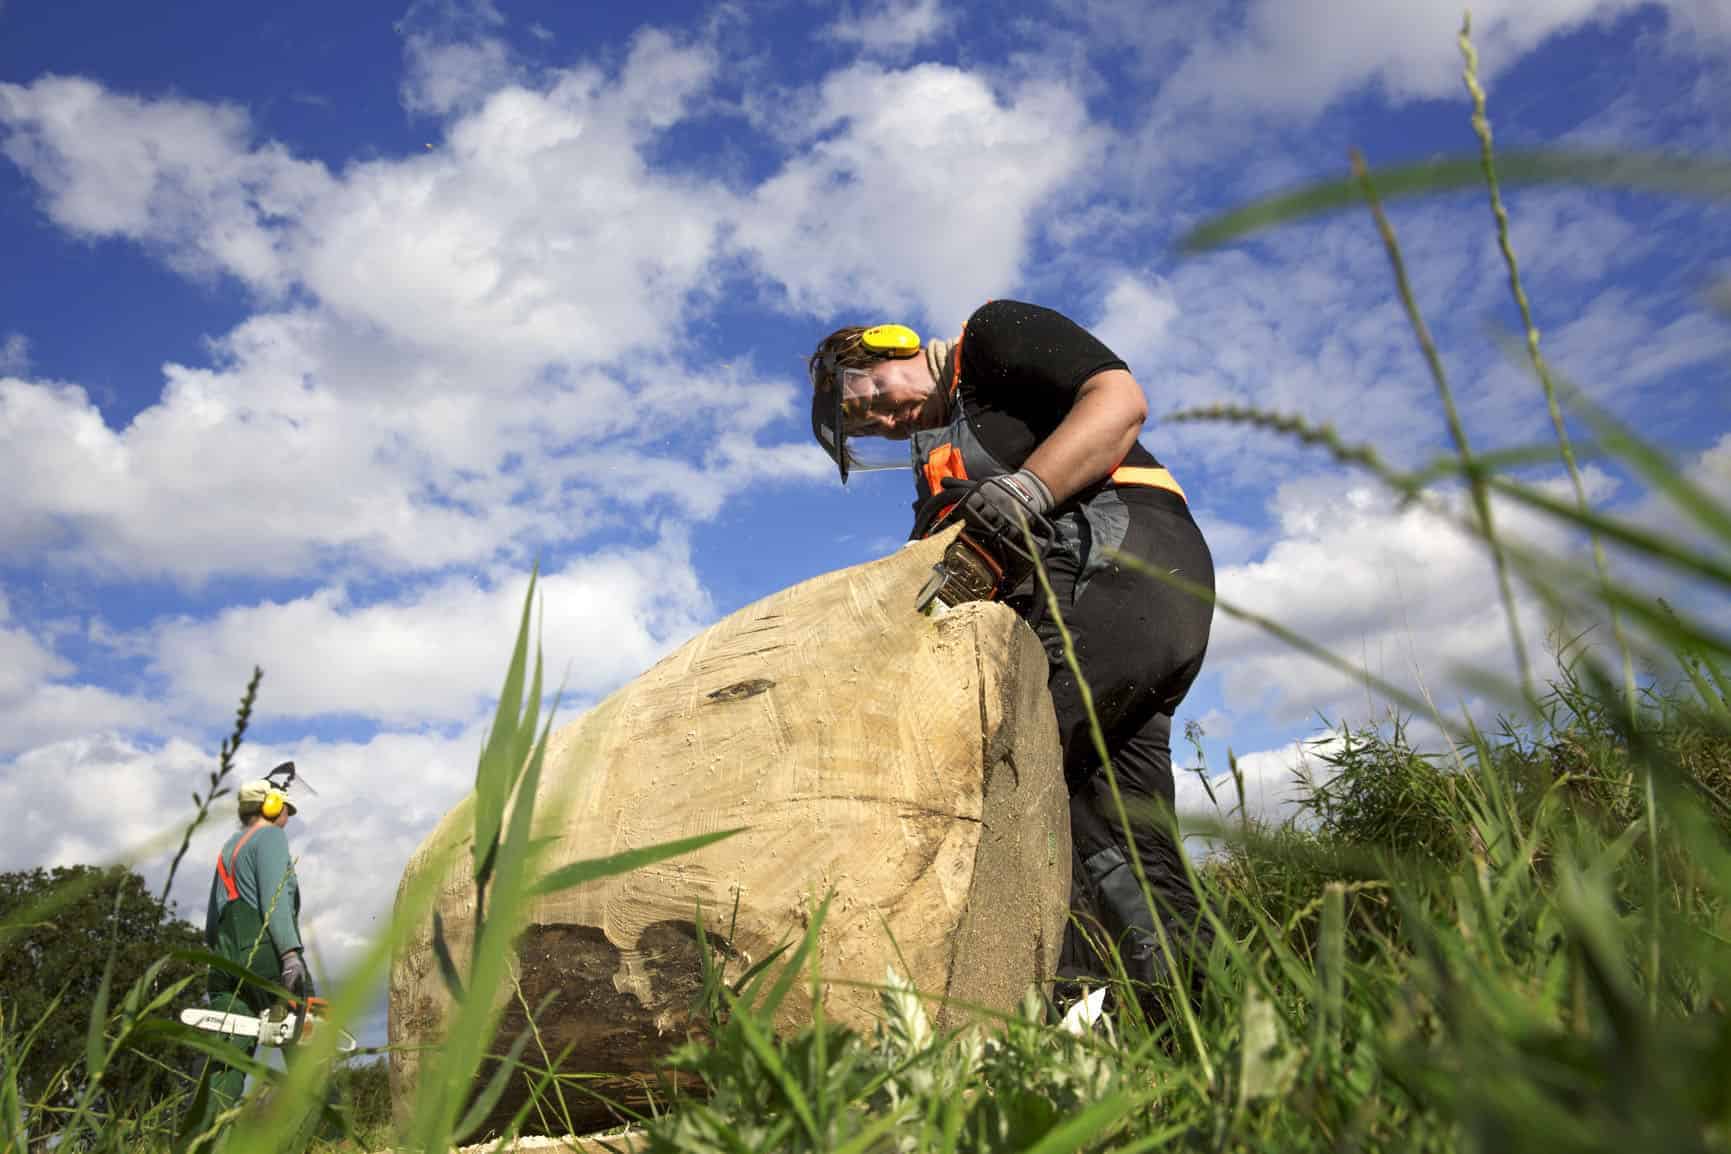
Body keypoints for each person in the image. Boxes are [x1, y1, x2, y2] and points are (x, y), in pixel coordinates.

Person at [809, 300, 1216, 1016]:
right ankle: (1181, 1028)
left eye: (868, 401)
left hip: (1115, 563)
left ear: (882, 350)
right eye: (864, 428)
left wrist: (1028, 488)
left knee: (999, 780)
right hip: (1123, 613)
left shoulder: (994, 337)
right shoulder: (937, 470)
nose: (880, 421)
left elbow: (1118, 401)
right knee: (1108, 826)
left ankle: (1045, 1019)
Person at [192, 773, 310, 1135]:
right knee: (305, 1051)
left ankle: (208, 1141)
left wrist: (230, 955)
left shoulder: (229, 847)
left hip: (225, 964)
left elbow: (212, 924)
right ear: (272, 807)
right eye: (285, 808)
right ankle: (330, 1138)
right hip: (268, 957)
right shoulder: (271, 837)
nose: (288, 816)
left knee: (227, 1062)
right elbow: (274, 901)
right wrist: (290, 955)